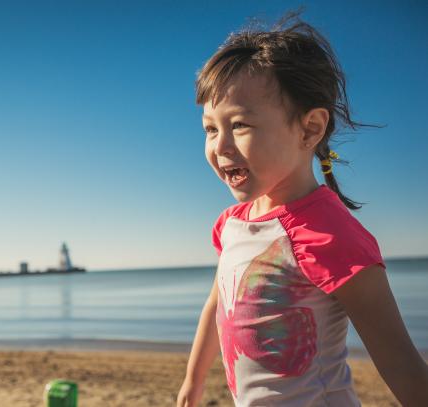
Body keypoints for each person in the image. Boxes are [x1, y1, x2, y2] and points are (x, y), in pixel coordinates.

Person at [177, 10, 428, 407]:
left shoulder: (329, 234)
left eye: (239, 125)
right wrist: (193, 380)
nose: (220, 146)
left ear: (309, 129)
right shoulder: (231, 224)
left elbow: (400, 361)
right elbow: (219, 302)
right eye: (211, 128)